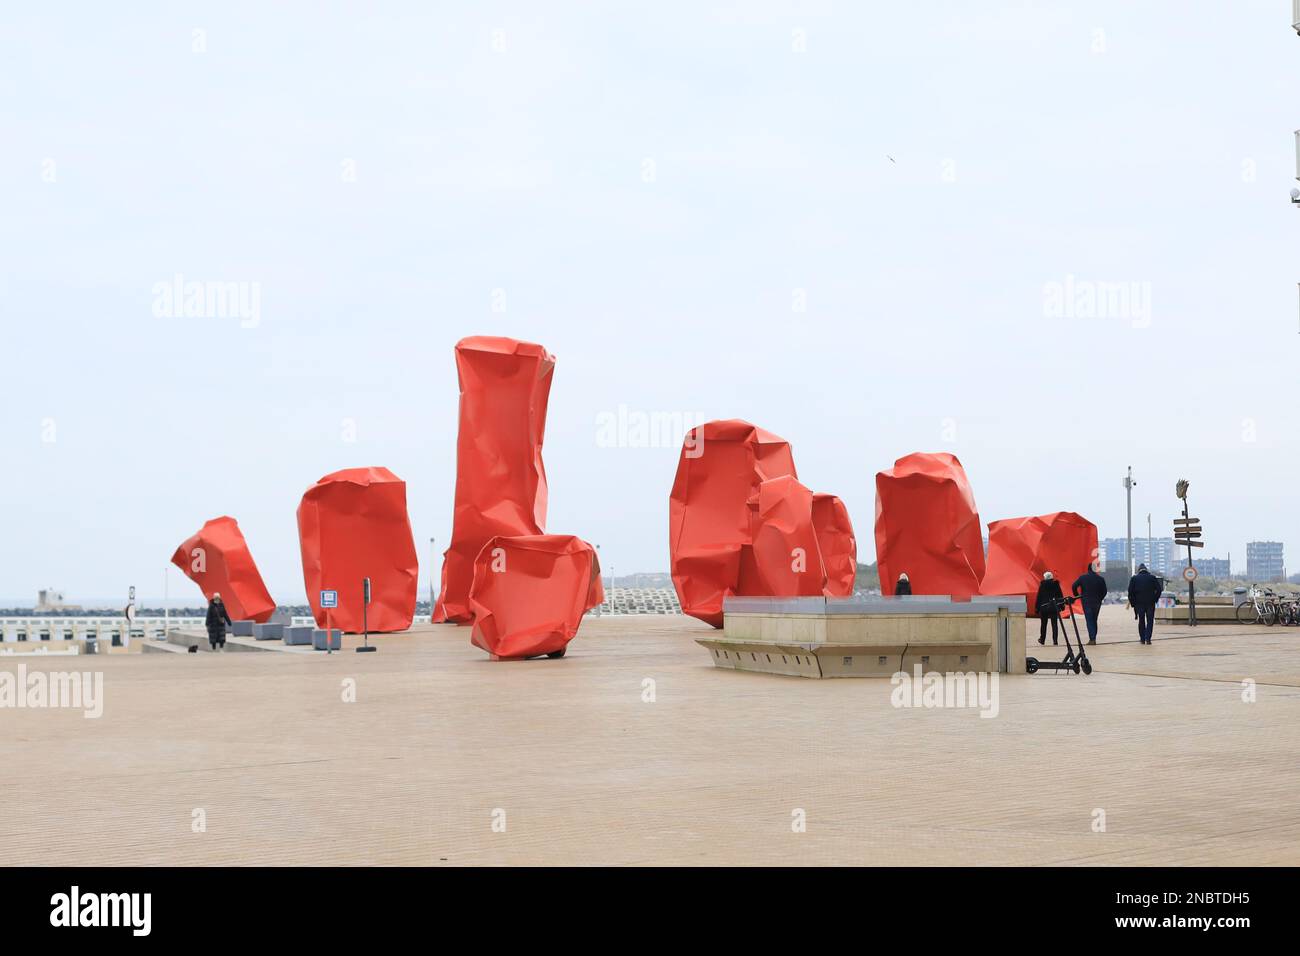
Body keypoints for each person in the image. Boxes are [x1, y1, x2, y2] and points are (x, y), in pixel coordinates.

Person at [1071, 562, 1108, 645]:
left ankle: (1092, 639)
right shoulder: (1100, 579)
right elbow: (1105, 591)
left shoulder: (1083, 578)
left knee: (1089, 620)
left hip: (1086, 601)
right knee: (1094, 620)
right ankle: (1093, 638)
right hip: (1097, 602)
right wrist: (1100, 598)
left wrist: (1077, 596)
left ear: (1088, 569)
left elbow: (1074, 586)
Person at [1128, 563, 1162, 645]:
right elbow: (1159, 590)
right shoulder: (1152, 578)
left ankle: (1142, 639)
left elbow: (1130, 592)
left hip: (1139, 603)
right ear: (1146, 570)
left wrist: (1133, 603)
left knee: (1141, 620)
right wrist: (1155, 599)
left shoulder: (1134, 579)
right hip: (1150, 602)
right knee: (1150, 621)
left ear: (1138, 570)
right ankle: (1148, 638)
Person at [1034, 571, 1064, 645]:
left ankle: (1042, 639)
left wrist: (1037, 608)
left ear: (1045, 578)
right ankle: (1055, 640)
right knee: (1054, 624)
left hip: (1044, 607)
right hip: (1054, 607)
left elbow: (1039, 597)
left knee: (1043, 624)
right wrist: (1062, 606)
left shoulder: (1042, 585)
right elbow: (1060, 596)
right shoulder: (1056, 585)